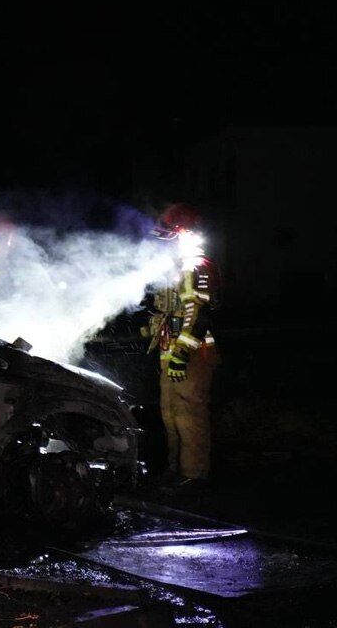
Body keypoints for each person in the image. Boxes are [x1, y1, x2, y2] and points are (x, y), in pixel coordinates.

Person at [145, 203, 220, 495]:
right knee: (170, 414)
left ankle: (194, 476)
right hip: (171, 354)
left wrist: (180, 355)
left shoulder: (197, 267)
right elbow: (167, 313)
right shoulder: (175, 270)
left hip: (193, 357)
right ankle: (174, 471)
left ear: (184, 234)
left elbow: (201, 317)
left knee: (189, 415)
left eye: (168, 237)